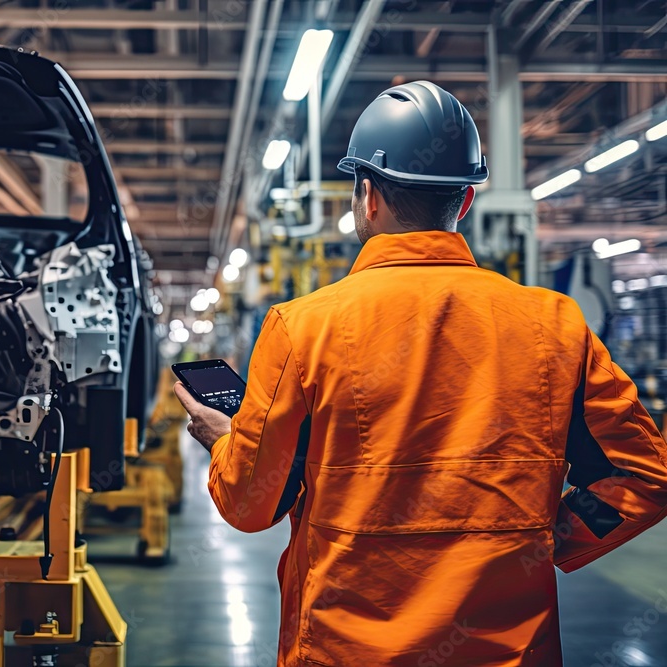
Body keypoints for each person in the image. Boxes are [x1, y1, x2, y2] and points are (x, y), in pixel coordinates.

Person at [174, 80, 667, 666]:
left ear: (367, 195)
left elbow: (250, 506)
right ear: (463, 201)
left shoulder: (302, 328)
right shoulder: (555, 324)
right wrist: (541, 540)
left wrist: (226, 441)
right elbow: (646, 476)